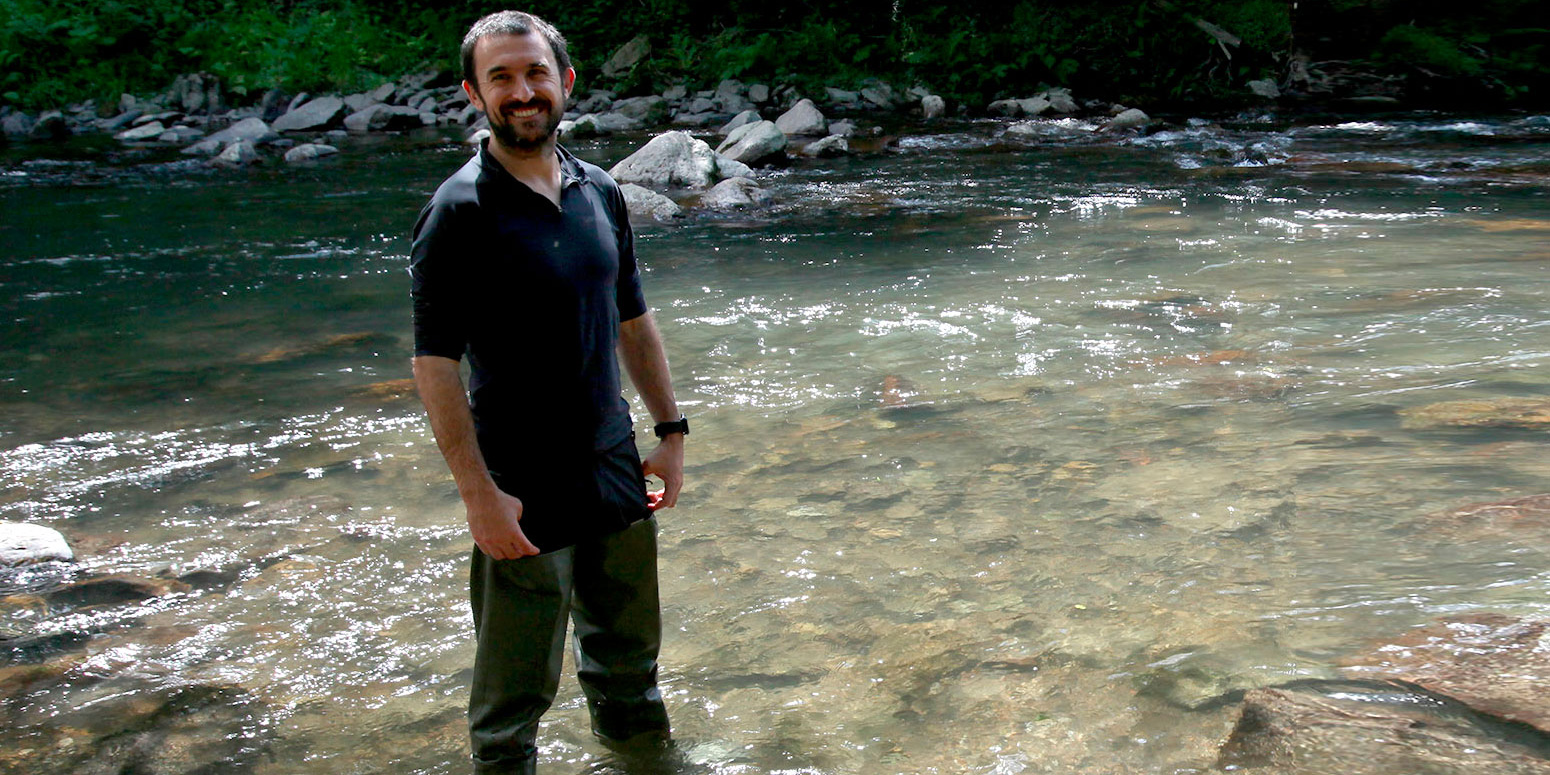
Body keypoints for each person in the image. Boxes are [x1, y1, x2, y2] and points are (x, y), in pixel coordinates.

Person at [408, 10, 686, 773]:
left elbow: (634, 319)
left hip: (612, 466)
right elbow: (434, 364)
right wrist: (478, 496)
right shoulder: (459, 211)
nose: (522, 91)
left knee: (631, 669)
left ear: (564, 82)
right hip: (520, 485)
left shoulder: (600, 189)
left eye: (534, 73)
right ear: (474, 93)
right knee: (511, 704)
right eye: (501, 77)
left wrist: (670, 433)